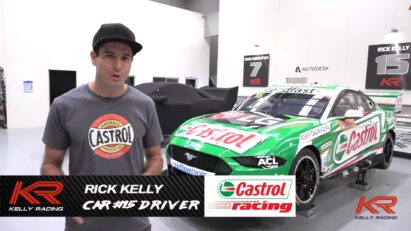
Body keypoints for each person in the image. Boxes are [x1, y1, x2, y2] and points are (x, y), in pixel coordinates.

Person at [41, 23, 163, 231]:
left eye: (125, 58)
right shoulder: (64, 105)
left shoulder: (145, 105)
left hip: (135, 224)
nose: (118, 65)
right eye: (109, 55)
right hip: (85, 225)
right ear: (93, 57)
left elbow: (156, 157)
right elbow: (50, 164)